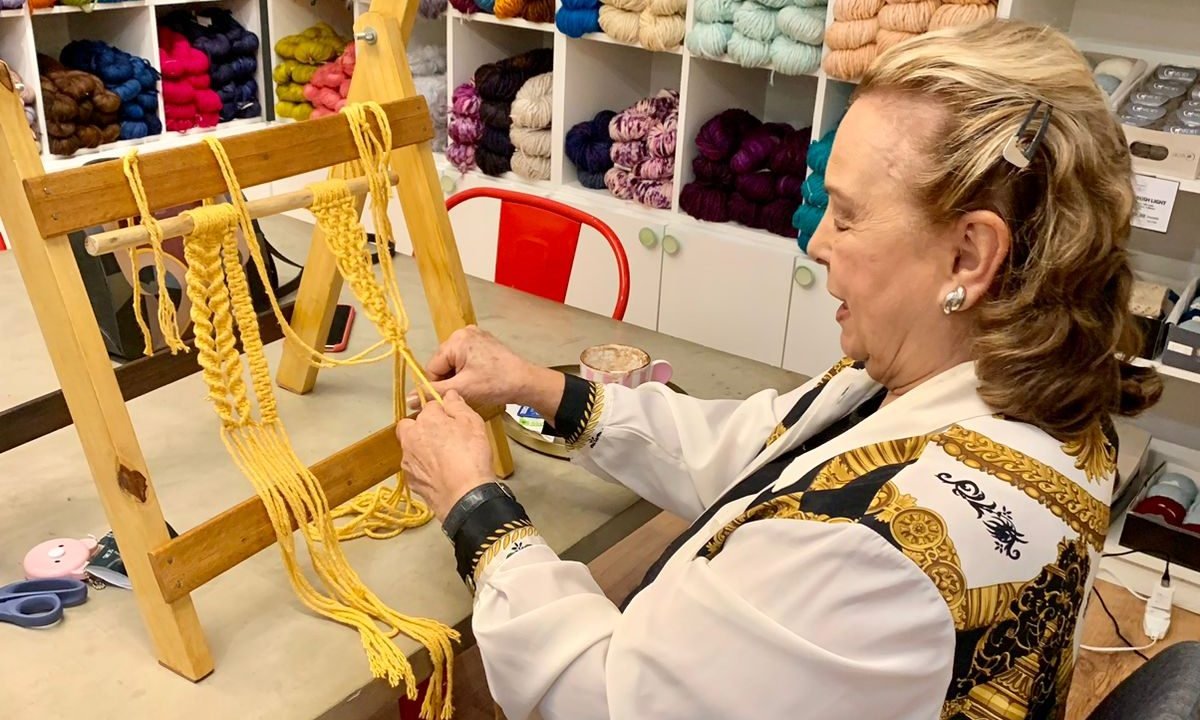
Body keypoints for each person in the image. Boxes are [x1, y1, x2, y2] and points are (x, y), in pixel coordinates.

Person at [396, 19, 1163, 720]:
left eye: (850, 214)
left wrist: (476, 508)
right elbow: (760, 452)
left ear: (969, 254)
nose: (817, 241)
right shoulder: (1010, 386)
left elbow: (606, 697)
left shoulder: (880, 546)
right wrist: (542, 388)